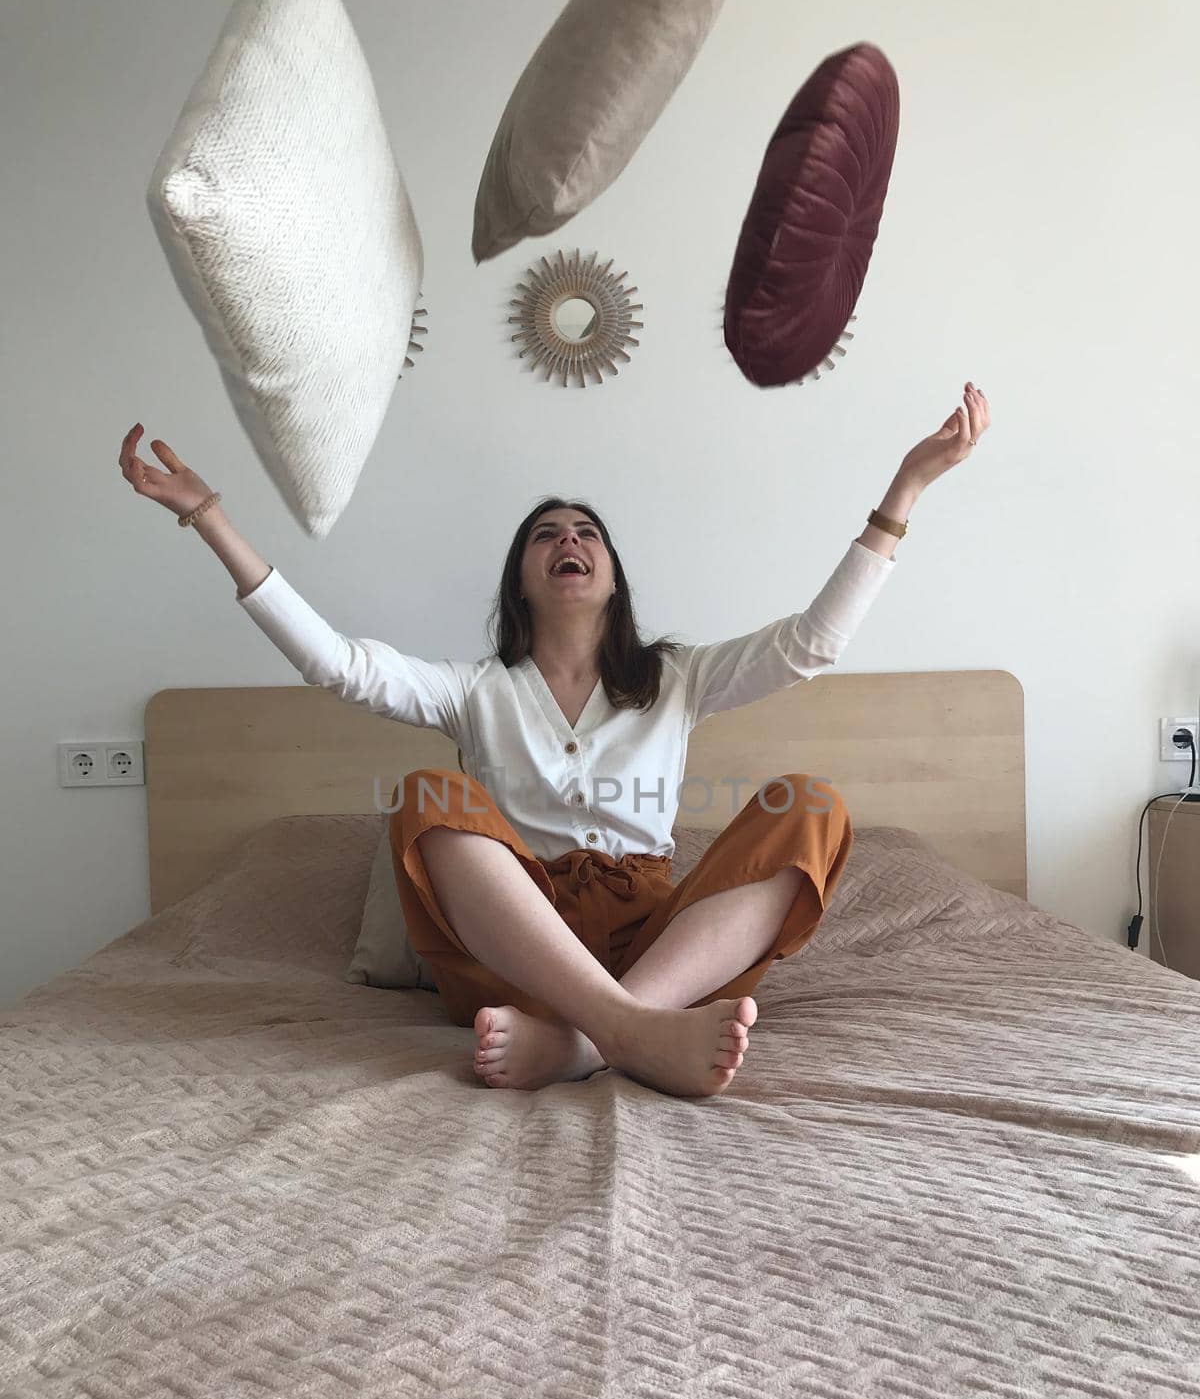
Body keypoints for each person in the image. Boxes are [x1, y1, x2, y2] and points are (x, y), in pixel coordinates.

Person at [118, 383, 990, 1099]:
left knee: (812, 805)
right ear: (523, 582)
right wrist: (209, 519)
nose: (568, 540)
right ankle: (632, 1033)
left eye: (585, 533)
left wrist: (905, 490)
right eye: (547, 535)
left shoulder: (677, 678)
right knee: (426, 794)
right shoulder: (473, 690)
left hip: (659, 947)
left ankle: (582, 1044)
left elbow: (811, 645)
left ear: (611, 575)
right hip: (516, 956)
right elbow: (338, 664)